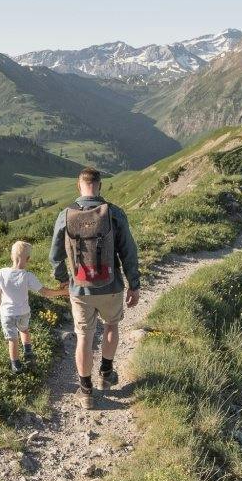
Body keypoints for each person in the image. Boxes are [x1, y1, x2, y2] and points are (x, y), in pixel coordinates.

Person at [50, 167, 140, 408]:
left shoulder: (65, 215)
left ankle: (86, 391)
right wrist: (134, 285)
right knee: (111, 325)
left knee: (84, 337)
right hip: (111, 286)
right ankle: (106, 374)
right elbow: (129, 252)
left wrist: (63, 278)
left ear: (79, 185)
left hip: (80, 289)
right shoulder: (114, 213)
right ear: (99, 186)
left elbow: (55, 256)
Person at [0, 240, 68, 372]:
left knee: (13, 340)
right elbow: (45, 292)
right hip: (23, 312)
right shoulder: (28, 276)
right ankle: (28, 351)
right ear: (28, 259)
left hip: (7, 314)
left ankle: (16, 364)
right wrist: (64, 292)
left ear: (11, 256)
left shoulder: (2, 272)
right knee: (24, 330)